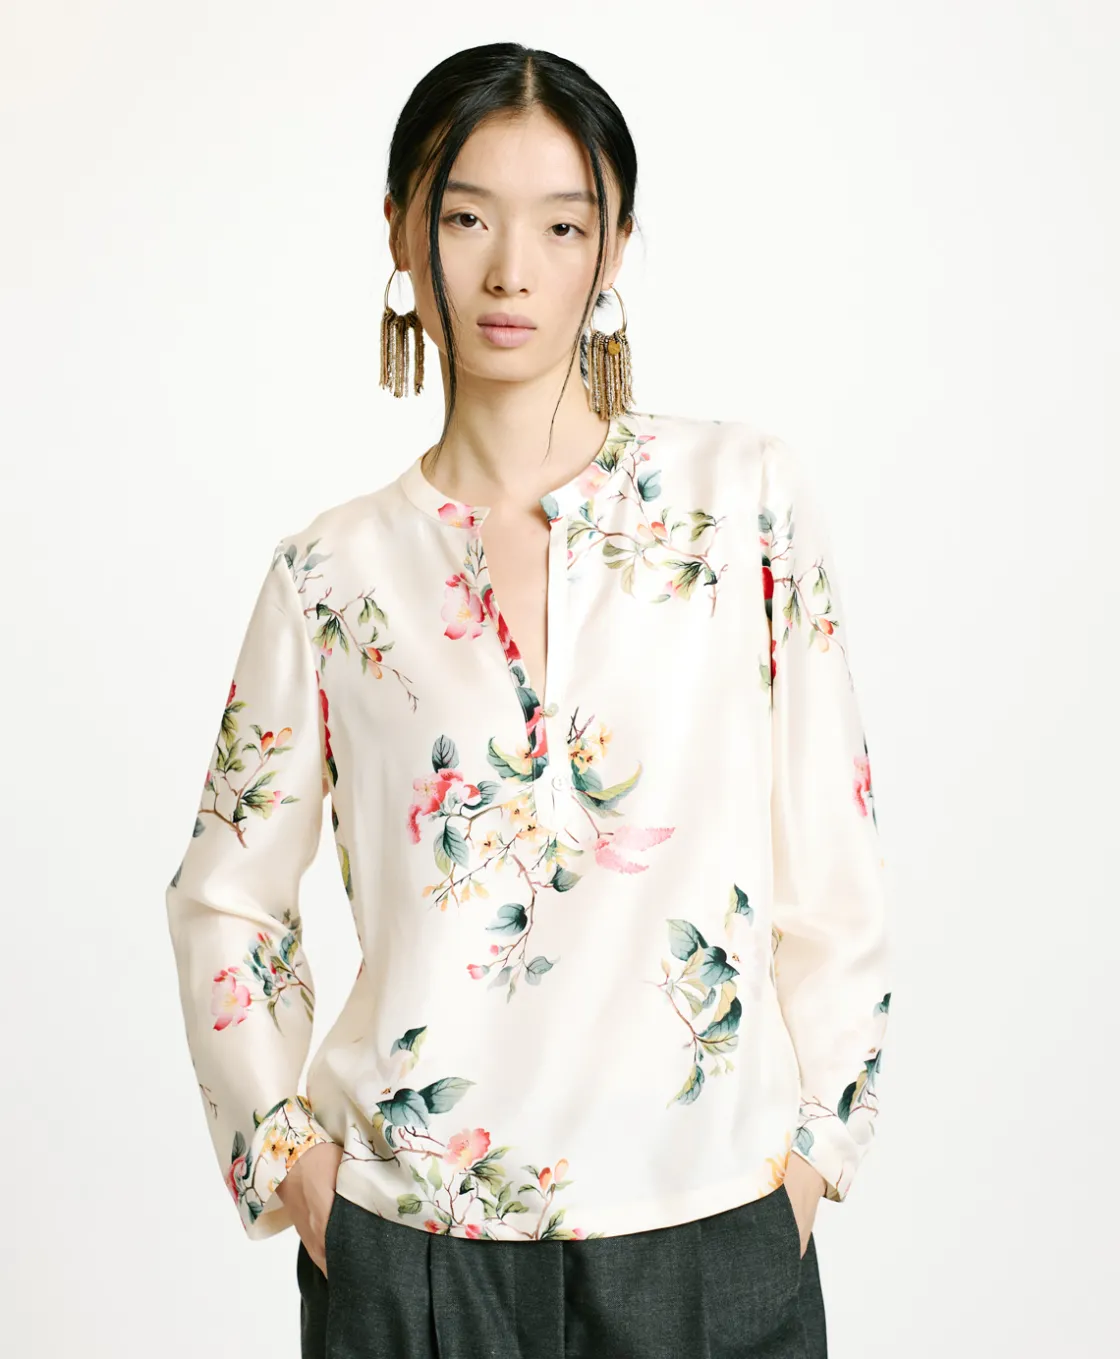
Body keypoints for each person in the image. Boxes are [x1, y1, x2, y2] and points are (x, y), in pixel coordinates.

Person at [164, 40, 893, 1359]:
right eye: (467, 218)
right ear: (404, 231)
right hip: (413, 1251)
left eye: (562, 225)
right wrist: (297, 1169)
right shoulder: (332, 573)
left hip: (713, 1227)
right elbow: (226, 894)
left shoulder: (743, 503)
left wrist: (815, 1150)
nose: (512, 271)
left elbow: (829, 851)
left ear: (613, 250)